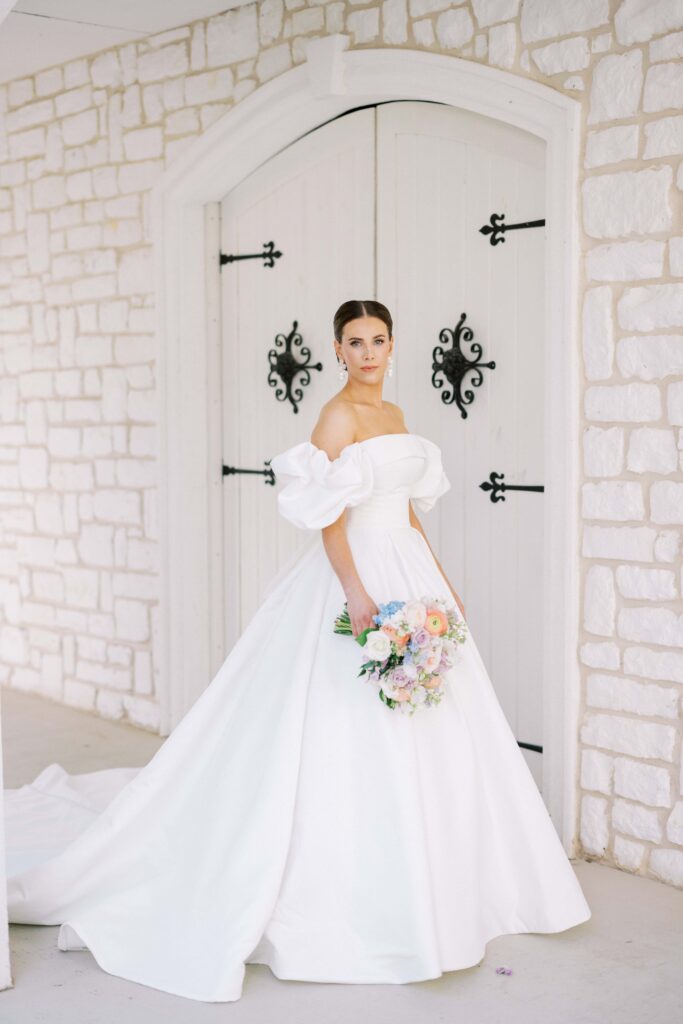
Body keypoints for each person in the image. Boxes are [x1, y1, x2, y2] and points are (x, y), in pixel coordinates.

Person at [4, 299, 591, 1003]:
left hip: (407, 564)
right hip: (356, 572)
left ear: (391, 345)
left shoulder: (397, 416)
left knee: (432, 716)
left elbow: (403, 510)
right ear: (337, 349)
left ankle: (444, 887)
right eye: (354, 342)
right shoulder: (337, 416)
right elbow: (330, 519)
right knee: (340, 715)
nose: (367, 352)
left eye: (377, 340)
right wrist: (355, 592)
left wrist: (443, 583)